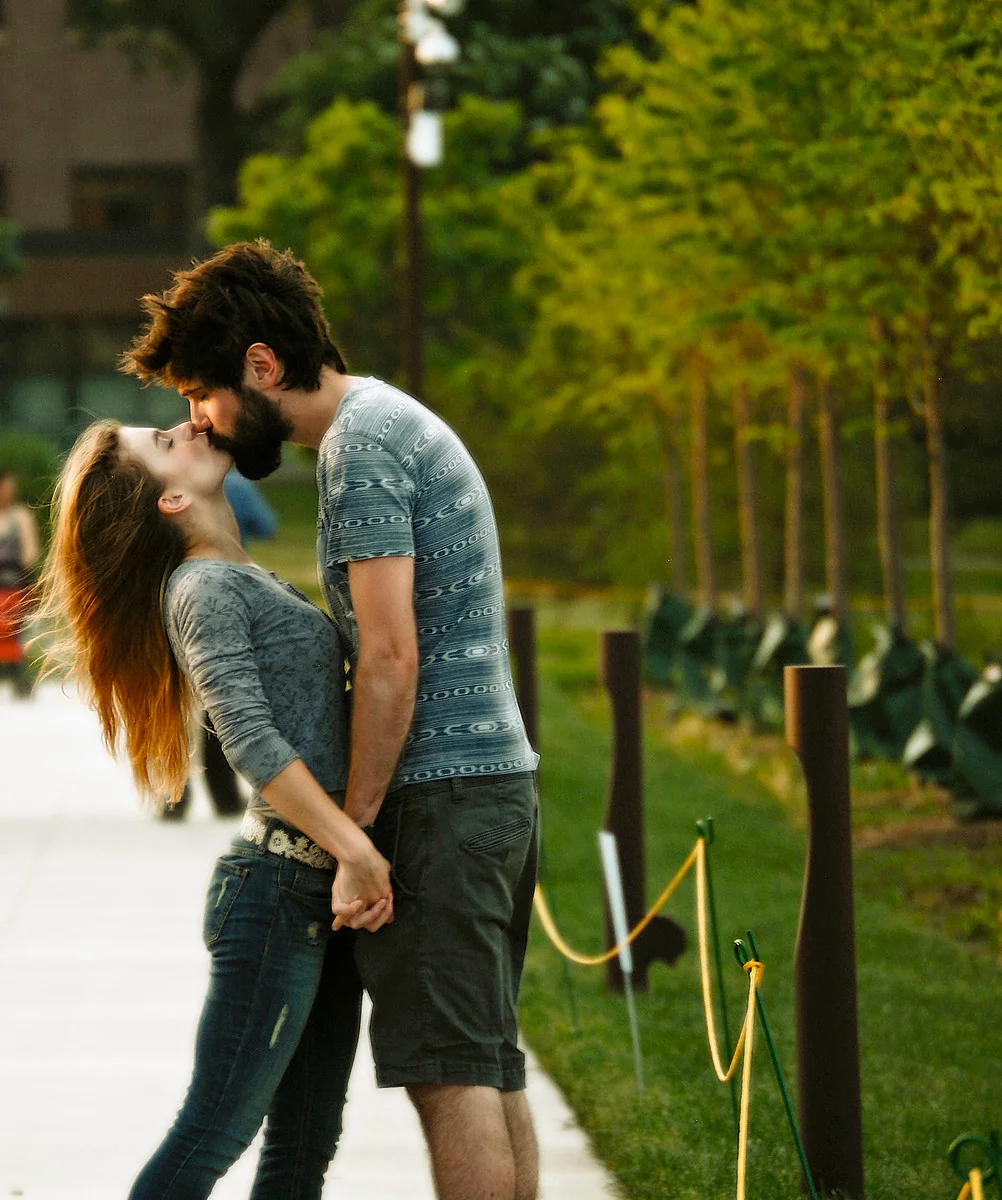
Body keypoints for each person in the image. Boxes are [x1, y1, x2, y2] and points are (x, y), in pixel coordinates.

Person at [122, 239, 542, 1200]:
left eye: (204, 396)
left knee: (450, 1075)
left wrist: (351, 834)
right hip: (489, 782)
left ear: (262, 368)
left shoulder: (359, 450)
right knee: (486, 1061)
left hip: (441, 796)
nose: (199, 420)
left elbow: (392, 657)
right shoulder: (389, 422)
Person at [35, 417, 394, 1199]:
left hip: (320, 895)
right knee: (213, 1133)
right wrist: (356, 849)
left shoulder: (240, 574)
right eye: (164, 441)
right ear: (169, 499)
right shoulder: (203, 587)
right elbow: (252, 747)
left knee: (305, 1144)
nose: (187, 425)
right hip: (278, 898)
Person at [164, 468, 280, 821]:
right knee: (217, 694)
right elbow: (267, 525)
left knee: (174, 698)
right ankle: (224, 794)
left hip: (171, 591)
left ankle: (172, 795)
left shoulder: (164, 484)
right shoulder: (236, 486)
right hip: (224, 591)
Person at [0, 467, 41, 699]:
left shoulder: (20, 516)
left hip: (13, 583)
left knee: (14, 633)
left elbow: (30, 555)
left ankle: (18, 677)